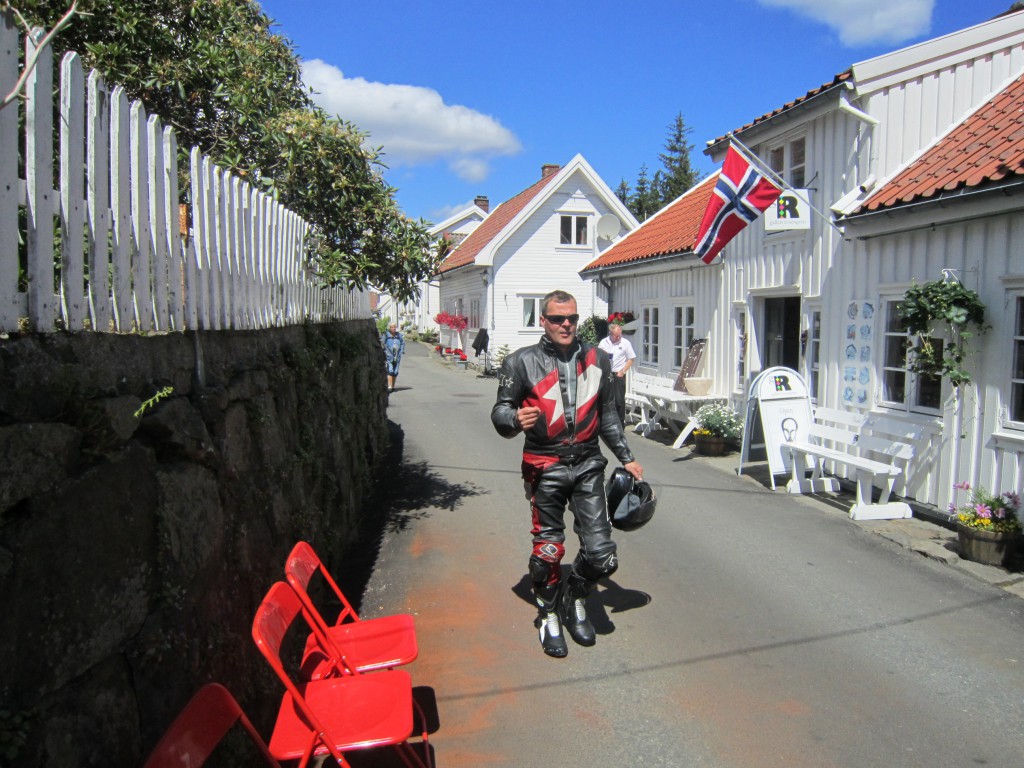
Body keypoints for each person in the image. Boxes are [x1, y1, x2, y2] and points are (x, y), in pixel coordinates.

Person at [491, 290, 643, 658]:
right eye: (558, 318)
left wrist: (626, 457)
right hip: (544, 464)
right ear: (542, 320)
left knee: (603, 555)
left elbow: (609, 415)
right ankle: (547, 615)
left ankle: (573, 597)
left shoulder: (600, 358)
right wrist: (514, 419)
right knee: (547, 552)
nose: (566, 325)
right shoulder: (519, 363)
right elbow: (500, 412)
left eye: (572, 318)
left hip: (589, 463)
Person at [597, 322, 636, 425]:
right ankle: (605, 422)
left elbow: (631, 359)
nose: (619, 337)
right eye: (616, 335)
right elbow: (598, 357)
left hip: (618, 374)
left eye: (620, 334)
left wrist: (623, 371)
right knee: (605, 399)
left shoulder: (625, 343)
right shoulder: (603, 343)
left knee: (619, 401)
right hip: (606, 374)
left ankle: (620, 423)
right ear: (610, 333)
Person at [382, 322, 405, 393]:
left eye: (395, 327)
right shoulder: (386, 335)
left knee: (395, 372)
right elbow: (382, 344)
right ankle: (389, 387)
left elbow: (402, 343)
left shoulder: (399, 335)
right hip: (389, 356)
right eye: (392, 327)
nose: (393, 328)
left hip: (397, 356)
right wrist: (384, 352)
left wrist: (401, 351)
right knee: (390, 370)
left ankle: (393, 386)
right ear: (389, 328)